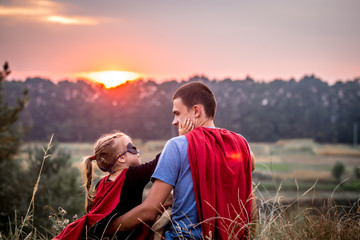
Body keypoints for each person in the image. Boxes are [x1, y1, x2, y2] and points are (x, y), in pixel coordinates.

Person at [106, 81, 257, 239]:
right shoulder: (241, 144)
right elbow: (249, 199)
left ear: (196, 111)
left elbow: (149, 210)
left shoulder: (177, 145)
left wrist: (107, 229)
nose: (174, 121)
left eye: (177, 113)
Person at [54, 131, 159, 239]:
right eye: (132, 148)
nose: (138, 151)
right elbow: (161, 160)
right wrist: (177, 140)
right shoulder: (133, 175)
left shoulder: (101, 184)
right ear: (121, 158)